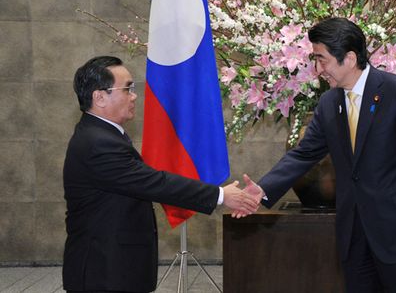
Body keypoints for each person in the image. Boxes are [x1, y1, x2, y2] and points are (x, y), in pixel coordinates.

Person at [239, 18, 396, 292]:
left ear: (349, 58)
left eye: (322, 60)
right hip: (354, 235)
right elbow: (304, 154)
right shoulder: (329, 103)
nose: (317, 70)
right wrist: (263, 189)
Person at [63, 56, 258, 293]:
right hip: (103, 271)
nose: (134, 96)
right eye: (127, 89)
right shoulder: (98, 143)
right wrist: (220, 195)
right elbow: (154, 183)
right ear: (99, 97)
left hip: (112, 266)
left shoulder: (101, 133)